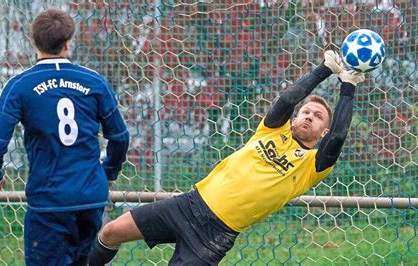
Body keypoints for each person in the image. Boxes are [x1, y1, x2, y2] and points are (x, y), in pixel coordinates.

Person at [88, 50, 365, 265]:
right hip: (188, 204)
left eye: (317, 117)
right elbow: (286, 100)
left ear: (322, 132)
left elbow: (338, 137)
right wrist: (323, 70)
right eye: (306, 111)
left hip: (214, 235)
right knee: (113, 230)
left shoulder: (311, 166)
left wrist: (347, 86)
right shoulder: (270, 131)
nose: (309, 116)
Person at [0, 9, 129, 265]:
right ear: (68, 42)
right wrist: (107, 173)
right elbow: (120, 137)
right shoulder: (94, 82)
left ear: (33, 40)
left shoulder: (20, 86)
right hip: (90, 199)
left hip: (49, 203)